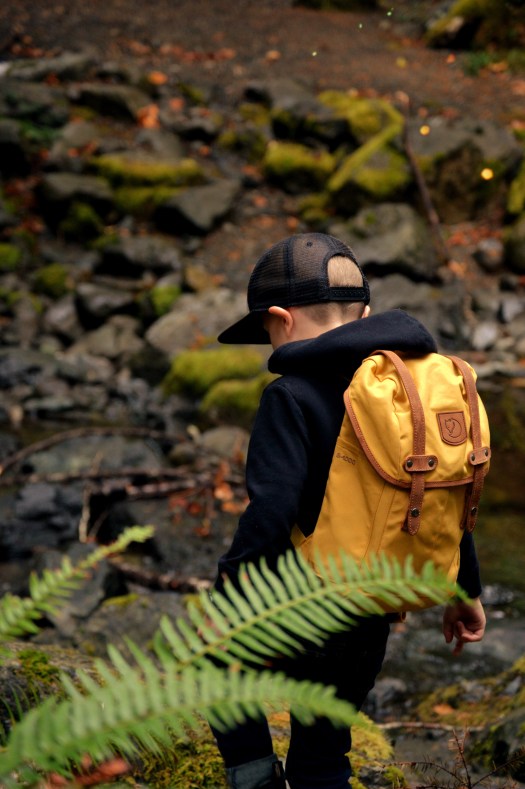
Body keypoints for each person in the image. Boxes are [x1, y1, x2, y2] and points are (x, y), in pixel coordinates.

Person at [212, 232, 487, 789]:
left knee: (208, 669)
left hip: (304, 606)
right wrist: (466, 591)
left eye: (266, 332)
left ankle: (257, 782)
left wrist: (230, 594)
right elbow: (444, 489)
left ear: (281, 320)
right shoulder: (415, 387)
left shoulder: (291, 394)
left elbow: (272, 510)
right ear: (363, 313)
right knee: (324, 750)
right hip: (370, 616)